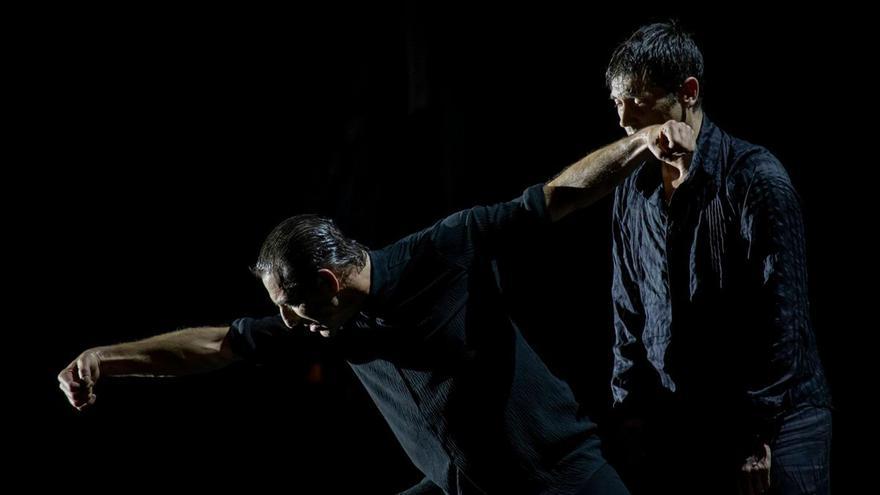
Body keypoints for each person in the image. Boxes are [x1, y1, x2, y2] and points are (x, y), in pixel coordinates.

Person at [59, 122, 689, 494]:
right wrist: (103, 359)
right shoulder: (326, 322)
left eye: (293, 307)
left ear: (329, 282)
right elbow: (220, 344)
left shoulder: (445, 249)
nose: (288, 324)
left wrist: (640, 143)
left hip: (560, 475)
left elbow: (555, 198)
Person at [605, 21, 832, 495]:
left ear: (687, 93)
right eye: (616, 102)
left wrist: (756, 436)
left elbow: (782, 319)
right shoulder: (633, 191)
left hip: (779, 425)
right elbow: (628, 313)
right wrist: (629, 417)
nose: (624, 119)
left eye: (639, 101)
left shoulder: (756, 180)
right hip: (688, 426)